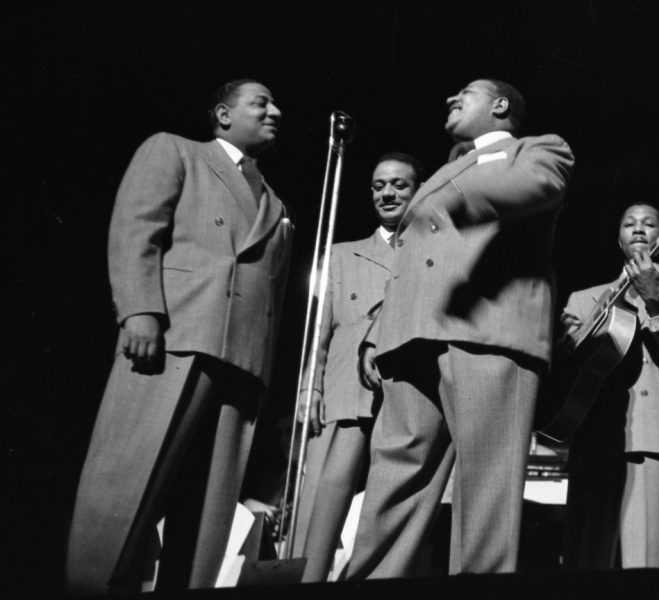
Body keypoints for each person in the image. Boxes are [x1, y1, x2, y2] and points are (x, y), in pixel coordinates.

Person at [65, 79, 293, 593]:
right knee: (128, 487)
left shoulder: (275, 203)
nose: (276, 111)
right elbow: (136, 227)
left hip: (241, 363)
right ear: (223, 114)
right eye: (262, 103)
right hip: (174, 340)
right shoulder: (177, 151)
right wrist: (140, 310)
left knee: (208, 516)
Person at [345, 78, 574, 578]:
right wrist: (375, 333)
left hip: (487, 330)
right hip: (408, 338)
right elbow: (407, 258)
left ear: (499, 105)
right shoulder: (440, 175)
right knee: (393, 482)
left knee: (486, 487)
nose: (451, 97)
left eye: (465, 93)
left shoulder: (536, 149)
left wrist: (457, 198)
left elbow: (538, 185)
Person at [559, 203, 659, 569]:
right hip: (594, 441)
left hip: (653, 440)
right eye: (629, 224)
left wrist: (656, 299)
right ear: (619, 238)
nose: (639, 229)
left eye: (649, 224)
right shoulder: (583, 299)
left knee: (646, 572)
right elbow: (564, 367)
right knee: (584, 571)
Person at [293, 152, 422, 582]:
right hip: (346, 393)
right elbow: (319, 331)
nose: (388, 192)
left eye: (400, 184)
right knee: (320, 508)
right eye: (379, 185)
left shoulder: (430, 253)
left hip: (407, 394)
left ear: (418, 190)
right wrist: (309, 389)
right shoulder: (343, 254)